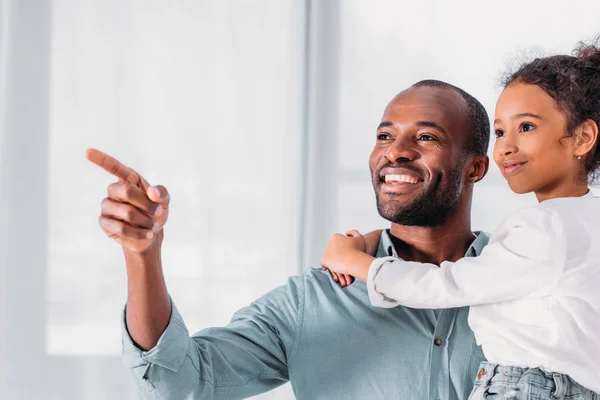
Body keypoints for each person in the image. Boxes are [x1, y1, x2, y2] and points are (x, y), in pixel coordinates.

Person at [86, 78, 491, 399]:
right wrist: (144, 253)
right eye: (385, 136)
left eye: (426, 138)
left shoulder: (530, 281)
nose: (395, 152)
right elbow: (178, 384)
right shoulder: (315, 300)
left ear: (475, 168)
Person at [321, 42, 600, 399]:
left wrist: (357, 262)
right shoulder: (586, 223)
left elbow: (446, 285)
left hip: (524, 387)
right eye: (500, 132)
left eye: (526, 127)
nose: (505, 148)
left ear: (582, 138)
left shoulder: (544, 227)